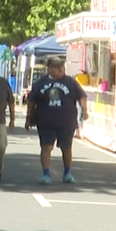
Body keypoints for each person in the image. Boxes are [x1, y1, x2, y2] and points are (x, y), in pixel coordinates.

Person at [26, 56, 88, 185]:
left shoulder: (71, 82)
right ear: (49, 68)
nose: (60, 69)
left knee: (66, 148)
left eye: (62, 67)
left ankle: (67, 173)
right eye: (56, 67)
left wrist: (85, 110)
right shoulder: (41, 83)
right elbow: (32, 101)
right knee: (46, 147)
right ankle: (46, 174)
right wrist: (28, 118)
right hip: (46, 121)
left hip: (66, 121)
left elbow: (82, 96)